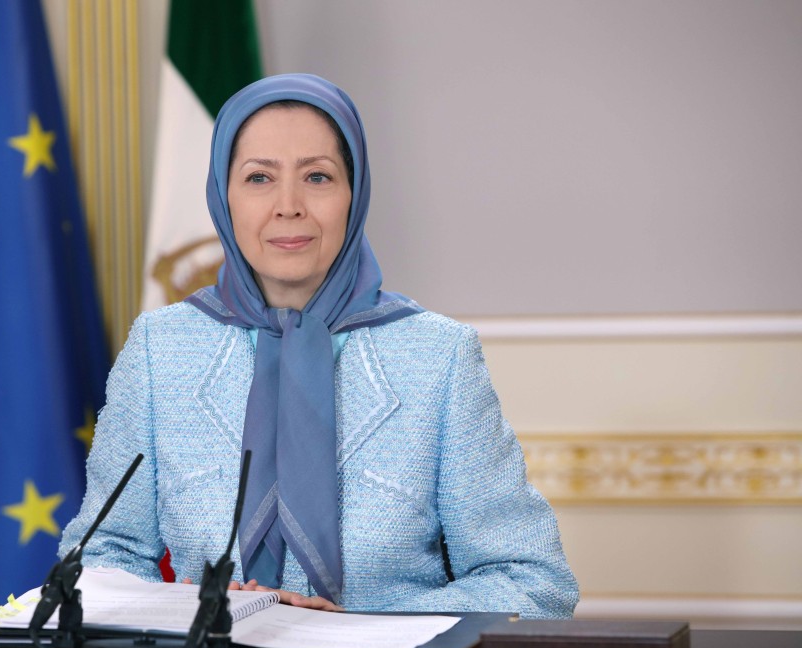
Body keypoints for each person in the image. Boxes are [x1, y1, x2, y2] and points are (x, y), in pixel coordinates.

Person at [59, 73, 579, 618]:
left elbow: (533, 583)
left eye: (317, 177)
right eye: (259, 178)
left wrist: (361, 633)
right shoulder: (159, 349)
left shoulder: (438, 356)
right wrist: (194, 610)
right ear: (222, 196)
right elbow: (100, 557)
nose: (289, 206)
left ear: (354, 195)